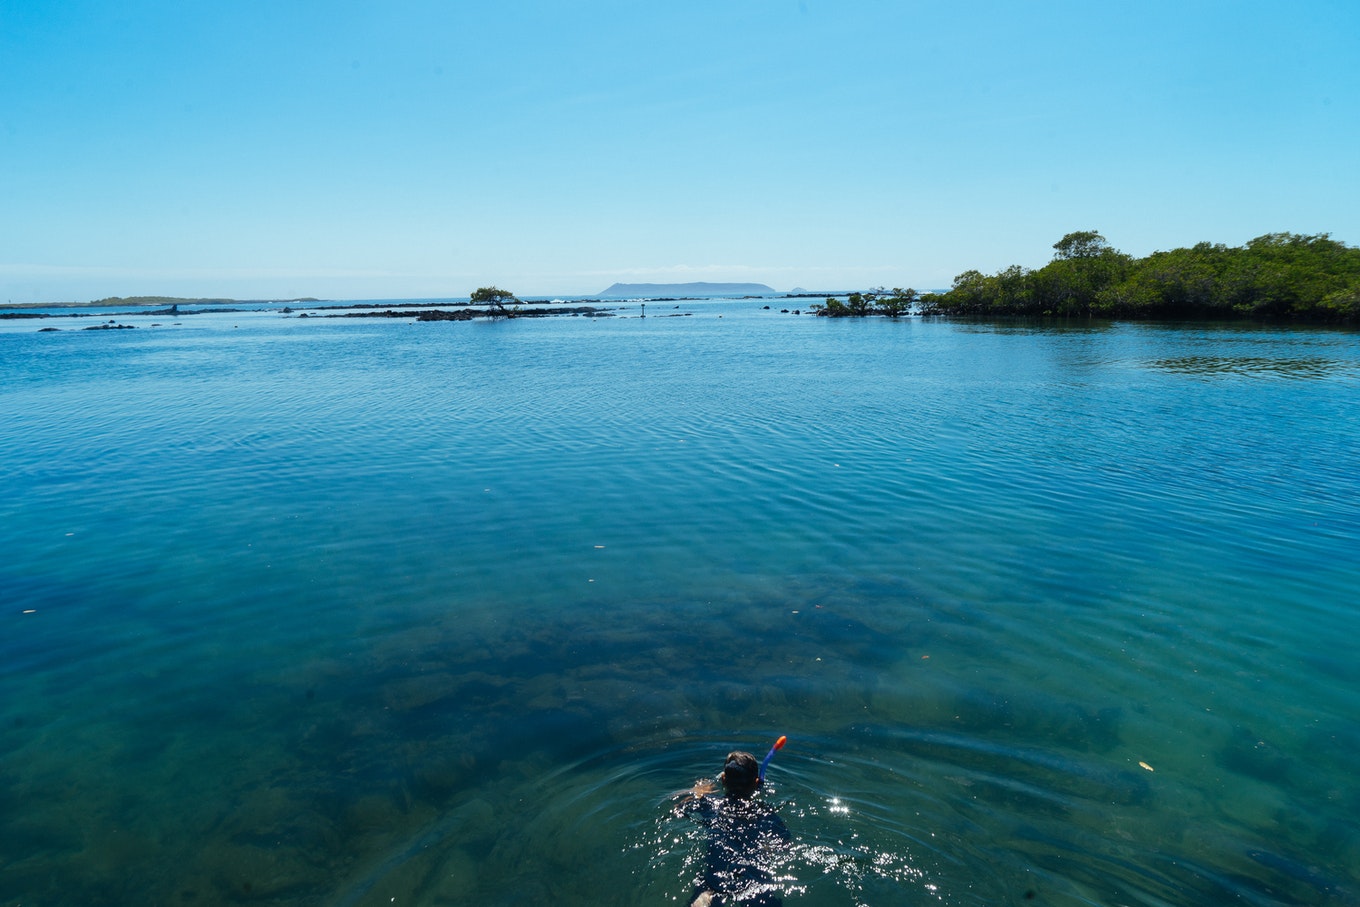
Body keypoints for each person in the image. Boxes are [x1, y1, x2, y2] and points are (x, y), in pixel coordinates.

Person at [674, 751, 791, 907]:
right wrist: (767, 849)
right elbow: (785, 841)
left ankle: (705, 896)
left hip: (715, 877)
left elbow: (678, 809)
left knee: (706, 892)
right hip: (753, 877)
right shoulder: (765, 813)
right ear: (757, 783)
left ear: (723, 780)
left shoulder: (710, 805)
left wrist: (699, 793)